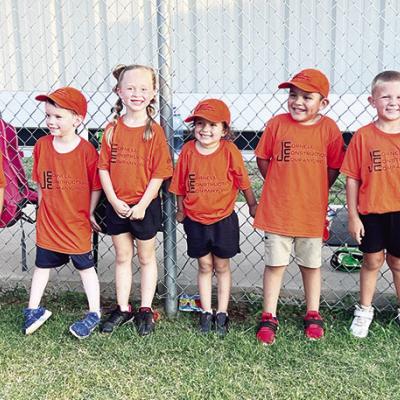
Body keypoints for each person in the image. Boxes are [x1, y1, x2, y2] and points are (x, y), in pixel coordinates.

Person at [254, 69, 345, 345]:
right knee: (275, 264)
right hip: (278, 210)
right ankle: (269, 315)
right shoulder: (277, 124)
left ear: (323, 103)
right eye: (293, 95)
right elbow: (263, 159)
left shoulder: (328, 129)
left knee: (311, 264)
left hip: (310, 212)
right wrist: (281, 184)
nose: (298, 102)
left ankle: (313, 313)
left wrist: (314, 189)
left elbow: (333, 167)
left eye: (307, 97)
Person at [169, 99, 257, 336]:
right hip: (195, 220)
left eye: (212, 125)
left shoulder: (229, 151)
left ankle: (222, 311)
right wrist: (180, 209)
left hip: (223, 219)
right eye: (200, 123)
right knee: (205, 265)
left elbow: (243, 181)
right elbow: (179, 185)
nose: (205, 129)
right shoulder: (188, 151)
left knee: (222, 265)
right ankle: (206, 310)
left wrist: (252, 205)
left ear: (224, 130)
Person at [98, 64, 173, 336]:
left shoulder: (154, 131)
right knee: (122, 256)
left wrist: (142, 204)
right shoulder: (111, 129)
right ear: (119, 92)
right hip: (117, 204)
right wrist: (113, 199)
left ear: (153, 93)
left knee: (145, 257)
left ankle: (145, 309)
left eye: (143, 89)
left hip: (145, 206)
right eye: (130, 88)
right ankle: (122, 307)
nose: (136, 94)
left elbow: (160, 172)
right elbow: (103, 167)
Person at [22, 87, 103, 339]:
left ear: (77, 119)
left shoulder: (87, 151)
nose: (51, 122)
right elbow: (41, 184)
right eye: (48, 116)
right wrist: (42, 210)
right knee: (41, 265)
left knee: (85, 267)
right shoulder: (42, 146)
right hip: (49, 220)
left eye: (58, 117)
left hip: (76, 221)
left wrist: (89, 213)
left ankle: (94, 312)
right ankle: (33, 309)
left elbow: (95, 186)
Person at [341, 70, 400, 338]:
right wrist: (353, 216)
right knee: (372, 260)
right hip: (372, 211)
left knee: (398, 262)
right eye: (385, 96)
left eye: (398, 96)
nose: (392, 101)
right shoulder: (363, 136)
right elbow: (352, 178)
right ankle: (364, 310)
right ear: (371, 100)